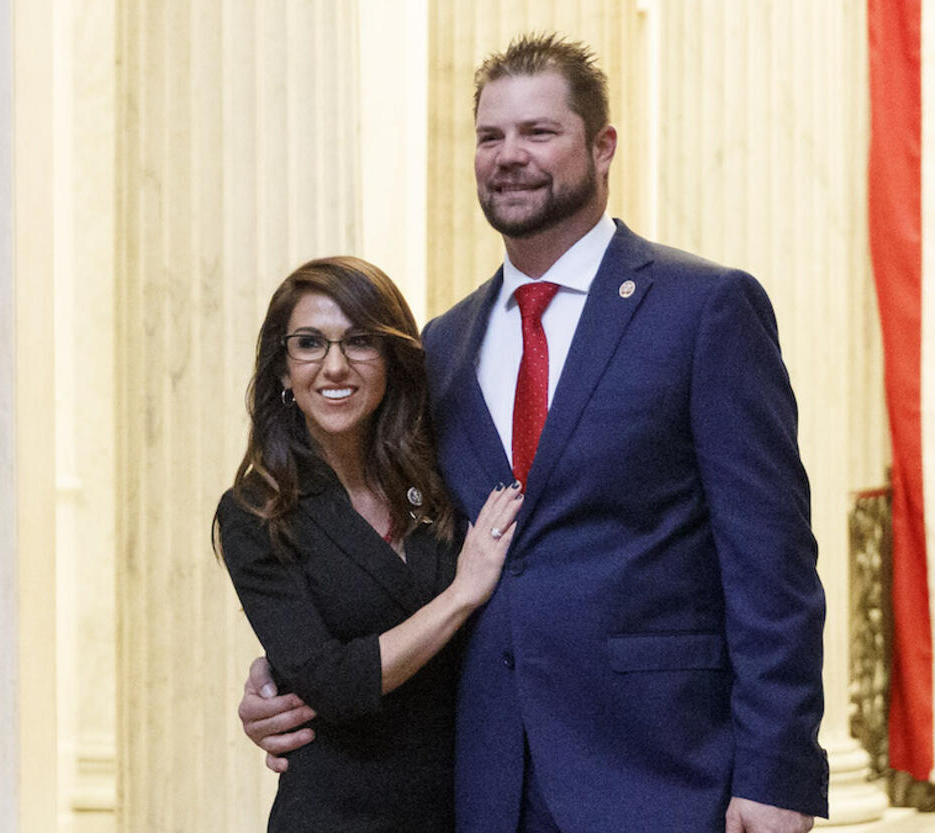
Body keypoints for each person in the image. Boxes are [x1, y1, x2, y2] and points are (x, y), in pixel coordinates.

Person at [240, 35, 828, 833]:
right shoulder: (441, 347)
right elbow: (391, 542)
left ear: (603, 146)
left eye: (538, 132)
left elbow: (773, 567)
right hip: (482, 781)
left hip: (665, 775)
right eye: (490, 137)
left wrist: (778, 772)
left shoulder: (704, 310)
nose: (509, 156)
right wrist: (293, 674)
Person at [215, 256, 524, 832]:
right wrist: (461, 594)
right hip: (339, 815)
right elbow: (332, 682)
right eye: (309, 344)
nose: (334, 367)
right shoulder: (257, 511)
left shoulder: (434, 475)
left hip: (463, 806)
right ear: (284, 369)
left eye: (359, 342)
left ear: (389, 359)